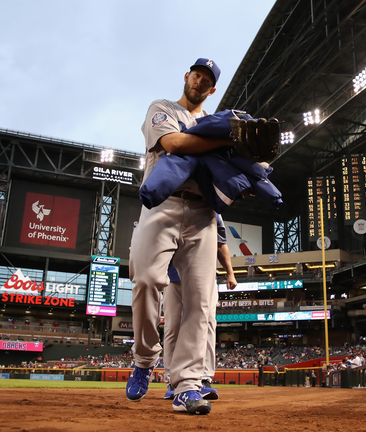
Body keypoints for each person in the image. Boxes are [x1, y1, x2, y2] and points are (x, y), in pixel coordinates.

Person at [126, 58, 232, 416]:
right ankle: (144, 358)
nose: (200, 81)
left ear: (212, 90)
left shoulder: (217, 124)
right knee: (144, 279)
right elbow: (173, 143)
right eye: (197, 74)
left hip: (203, 215)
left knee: (200, 301)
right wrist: (222, 142)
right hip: (162, 205)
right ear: (187, 76)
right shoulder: (163, 108)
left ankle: (187, 384)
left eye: (207, 80)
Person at [163, 214, 237, 402]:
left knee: (208, 326)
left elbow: (221, 244)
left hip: (205, 279)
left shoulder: (214, 213)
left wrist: (230, 272)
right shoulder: (172, 207)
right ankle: (173, 381)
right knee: (172, 328)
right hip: (172, 278)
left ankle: (203, 378)